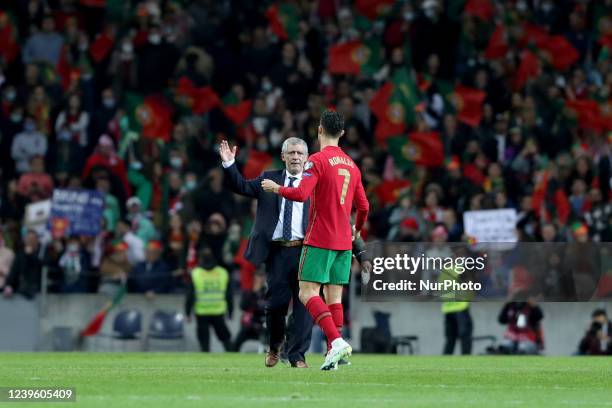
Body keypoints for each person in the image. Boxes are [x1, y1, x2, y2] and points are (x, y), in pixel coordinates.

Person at [262, 110, 369, 370]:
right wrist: (357, 232)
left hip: (321, 238)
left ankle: (335, 341)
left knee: (307, 292)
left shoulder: (318, 161)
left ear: (319, 130)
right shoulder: (352, 165)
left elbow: (300, 194)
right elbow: (364, 206)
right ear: (342, 133)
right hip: (344, 242)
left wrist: (277, 189)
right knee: (334, 297)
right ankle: (336, 353)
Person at [219, 136, 313, 368]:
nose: (295, 157)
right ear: (283, 157)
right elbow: (240, 186)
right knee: (276, 306)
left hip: (306, 252)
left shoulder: (314, 184)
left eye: (300, 153)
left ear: (307, 158)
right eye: (291, 153)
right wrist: (229, 164)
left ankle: (298, 356)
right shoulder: (268, 178)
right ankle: (274, 347)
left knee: (305, 306)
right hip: (278, 253)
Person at [185, 247, 232, 352]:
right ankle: (234, 359)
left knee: (204, 343)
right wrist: (231, 311)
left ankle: (205, 363)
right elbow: (229, 295)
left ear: (200, 258)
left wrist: (188, 312)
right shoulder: (222, 272)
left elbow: (190, 295)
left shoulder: (195, 273)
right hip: (218, 311)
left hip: (202, 312)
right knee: (225, 339)